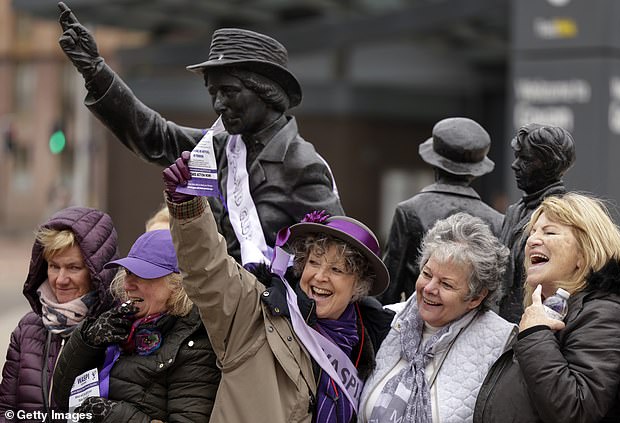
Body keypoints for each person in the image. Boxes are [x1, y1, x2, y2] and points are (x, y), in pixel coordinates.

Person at [57, 2, 343, 266]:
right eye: (213, 93)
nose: (218, 104)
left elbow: (338, 256)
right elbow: (153, 135)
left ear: (266, 91)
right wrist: (95, 71)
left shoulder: (302, 165)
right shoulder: (218, 149)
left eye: (229, 91)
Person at [162, 153, 395, 423]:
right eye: (314, 262)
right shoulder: (254, 313)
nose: (320, 276)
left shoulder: (374, 343)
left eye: (336, 269)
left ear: (358, 285)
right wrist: (188, 208)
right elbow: (208, 270)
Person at [474, 193, 620, 423]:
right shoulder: (555, 311)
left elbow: (576, 409)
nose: (532, 241)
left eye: (549, 232)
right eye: (532, 233)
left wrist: (535, 335)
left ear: (584, 253)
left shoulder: (605, 314)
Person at [360, 212, 516, 422]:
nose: (429, 288)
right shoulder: (391, 320)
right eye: (426, 274)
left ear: (476, 297)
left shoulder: (500, 344)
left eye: (446, 284)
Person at [52, 229, 220, 423]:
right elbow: (62, 399)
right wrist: (88, 342)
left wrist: (116, 418)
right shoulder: (123, 325)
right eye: (128, 273)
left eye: (142, 275)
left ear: (177, 285)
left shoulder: (193, 345)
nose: (127, 285)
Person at [0, 207, 119, 420]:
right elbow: (5, 410)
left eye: (73, 268)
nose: (60, 280)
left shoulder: (119, 331)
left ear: (97, 272)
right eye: (54, 266)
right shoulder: (27, 329)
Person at [380, 117, 503, 305]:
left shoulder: (409, 211)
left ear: (435, 162)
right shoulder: (496, 220)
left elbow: (389, 286)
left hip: (421, 317)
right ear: (475, 170)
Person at [498, 123, 575, 322]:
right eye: (517, 157)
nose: (515, 165)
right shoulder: (515, 211)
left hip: (536, 324)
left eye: (526, 159)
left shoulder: (564, 215)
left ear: (550, 164)